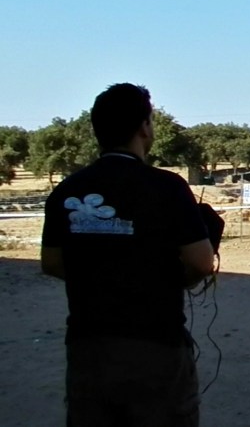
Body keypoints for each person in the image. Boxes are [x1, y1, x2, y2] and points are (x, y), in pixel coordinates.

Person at [41, 83, 217, 427]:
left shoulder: (68, 190)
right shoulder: (167, 187)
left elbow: (51, 262)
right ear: (144, 127)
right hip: (157, 345)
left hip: (89, 346)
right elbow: (200, 261)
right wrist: (166, 280)